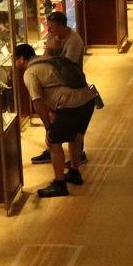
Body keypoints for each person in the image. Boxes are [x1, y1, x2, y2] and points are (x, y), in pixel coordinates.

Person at [14, 43, 97, 197]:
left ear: (21, 59)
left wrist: (48, 127)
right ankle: (74, 172)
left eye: (16, 60)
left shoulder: (30, 72)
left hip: (70, 104)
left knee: (53, 142)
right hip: (88, 100)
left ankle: (59, 184)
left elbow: (37, 101)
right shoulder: (48, 59)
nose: (16, 64)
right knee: (76, 136)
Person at [29, 11, 87, 166]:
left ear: (62, 26)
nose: (49, 30)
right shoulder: (51, 36)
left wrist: (53, 51)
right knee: (53, 117)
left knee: (73, 122)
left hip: (72, 86)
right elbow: (46, 58)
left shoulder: (74, 41)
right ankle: (52, 149)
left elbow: (66, 67)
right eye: (48, 27)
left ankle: (79, 153)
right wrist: (50, 51)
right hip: (54, 86)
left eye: (52, 27)